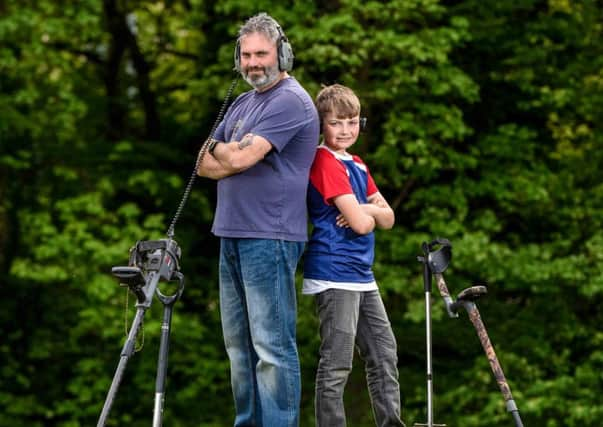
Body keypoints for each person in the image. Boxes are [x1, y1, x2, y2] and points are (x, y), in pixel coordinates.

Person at [196, 12, 319, 427]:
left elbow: (243, 156)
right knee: (238, 349)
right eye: (246, 55)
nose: (253, 63)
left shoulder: (291, 100)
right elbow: (202, 163)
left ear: (281, 53)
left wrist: (228, 152)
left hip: (270, 237)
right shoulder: (243, 102)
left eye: (262, 54)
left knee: (272, 347)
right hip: (230, 233)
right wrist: (230, 155)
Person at [302, 84, 405, 427]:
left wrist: (363, 208)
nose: (345, 130)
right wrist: (369, 212)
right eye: (336, 123)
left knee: (383, 353)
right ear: (322, 125)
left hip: (362, 275)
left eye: (352, 122)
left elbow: (387, 219)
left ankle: (391, 422)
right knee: (338, 362)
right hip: (333, 272)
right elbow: (363, 225)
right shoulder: (323, 161)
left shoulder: (358, 164)